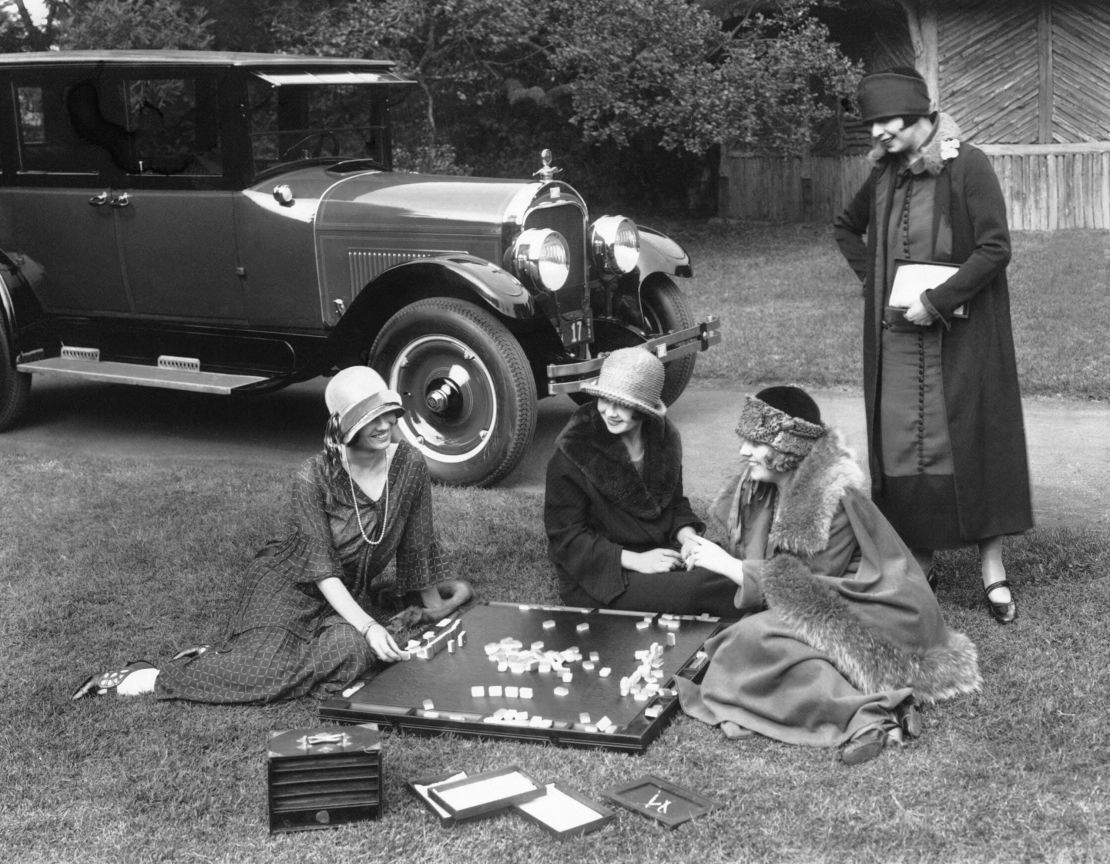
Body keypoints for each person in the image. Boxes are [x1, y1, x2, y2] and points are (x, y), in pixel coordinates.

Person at [72, 366, 472, 703]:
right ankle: (148, 677)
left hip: (343, 599)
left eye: (389, 413)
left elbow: (418, 545)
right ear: (346, 425)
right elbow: (322, 571)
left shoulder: (409, 465)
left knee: (352, 652)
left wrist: (434, 615)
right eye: (371, 418)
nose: (386, 424)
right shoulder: (312, 477)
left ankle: (231, 656)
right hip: (287, 585)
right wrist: (369, 625)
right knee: (271, 668)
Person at [677, 386, 982, 765]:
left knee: (746, 644)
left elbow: (808, 590)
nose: (743, 452)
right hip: (826, 602)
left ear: (788, 449)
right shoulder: (767, 486)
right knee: (737, 649)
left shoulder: (829, 499)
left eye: (755, 443)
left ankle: (868, 716)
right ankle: (886, 714)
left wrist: (731, 567)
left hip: (876, 613)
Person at [832, 66, 1033, 623]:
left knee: (969, 441)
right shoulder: (885, 174)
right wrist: (874, 283)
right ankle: (918, 557)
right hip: (897, 341)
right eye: (870, 124)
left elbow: (995, 249)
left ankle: (992, 566)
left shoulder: (970, 165)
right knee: (902, 448)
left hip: (962, 336)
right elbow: (846, 228)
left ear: (919, 116)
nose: (876, 134)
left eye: (884, 122)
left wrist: (938, 300)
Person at [544, 346, 739, 618]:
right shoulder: (573, 452)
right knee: (699, 588)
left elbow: (674, 503)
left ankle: (759, 607)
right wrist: (637, 561)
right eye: (604, 399)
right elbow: (567, 539)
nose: (610, 411)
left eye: (622, 404)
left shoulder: (663, 439)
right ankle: (763, 611)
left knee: (726, 564)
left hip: (659, 551)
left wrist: (688, 538)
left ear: (644, 407)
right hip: (603, 573)